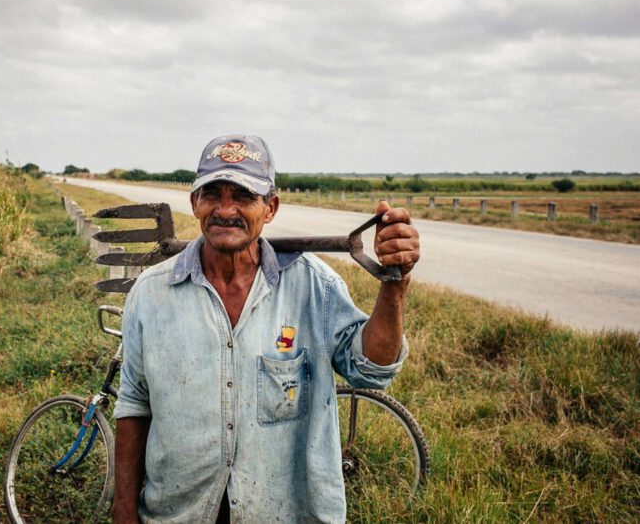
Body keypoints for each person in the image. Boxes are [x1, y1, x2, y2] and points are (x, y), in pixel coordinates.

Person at [112, 135, 420, 523]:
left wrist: (395, 286)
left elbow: (371, 368)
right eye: (212, 194)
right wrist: (123, 510)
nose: (226, 210)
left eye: (243, 196)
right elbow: (134, 404)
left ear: (270, 207)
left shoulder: (313, 287)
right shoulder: (151, 294)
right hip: (179, 512)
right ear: (195, 203)